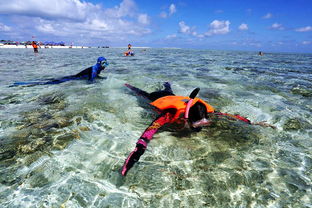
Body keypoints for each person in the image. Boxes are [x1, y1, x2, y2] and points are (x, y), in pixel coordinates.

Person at [121, 82, 275, 176]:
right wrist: (133, 159)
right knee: (141, 94)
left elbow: (229, 115)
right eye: (196, 127)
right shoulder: (168, 115)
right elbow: (145, 137)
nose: (199, 130)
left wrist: (252, 123)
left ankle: (167, 84)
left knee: (170, 91)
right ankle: (128, 85)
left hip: (173, 97)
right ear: (187, 119)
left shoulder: (204, 110)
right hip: (157, 98)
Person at [12, 57, 109, 86]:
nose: (105, 66)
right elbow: (91, 81)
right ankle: (21, 84)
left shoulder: (97, 69)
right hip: (73, 78)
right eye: (104, 64)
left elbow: (95, 77)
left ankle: (23, 83)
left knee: (52, 80)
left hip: (74, 77)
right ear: (100, 63)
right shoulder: (94, 69)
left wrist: (103, 79)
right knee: (49, 83)